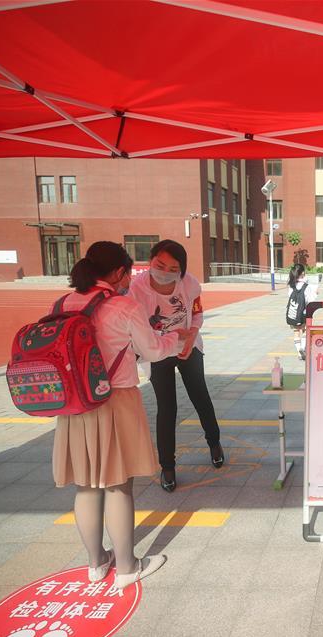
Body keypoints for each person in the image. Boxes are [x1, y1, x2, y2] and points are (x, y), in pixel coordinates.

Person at [54, 241, 187, 589]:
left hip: (74, 404)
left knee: (85, 486)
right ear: (117, 273)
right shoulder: (122, 305)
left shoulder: (64, 302)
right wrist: (176, 338)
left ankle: (96, 563)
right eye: (127, 273)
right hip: (116, 400)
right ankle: (128, 567)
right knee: (117, 485)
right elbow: (153, 351)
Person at [128, 240, 223, 493]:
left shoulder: (189, 283)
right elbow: (137, 331)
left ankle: (215, 443)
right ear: (150, 261)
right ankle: (167, 467)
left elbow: (197, 312)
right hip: (157, 351)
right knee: (166, 407)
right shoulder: (136, 290)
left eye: (173, 268)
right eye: (160, 265)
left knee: (200, 395)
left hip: (187, 346)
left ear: (181, 270)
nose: (165, 271)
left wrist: (191, 335)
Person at [287, 263, 318, 360]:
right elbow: (311, 300)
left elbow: (289, 297)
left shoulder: (291, 285)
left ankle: (299, 351)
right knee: (304, 331)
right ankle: (303, 349)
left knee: (296, 332)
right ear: (303, 273)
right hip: (304, 312)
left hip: (293, 312)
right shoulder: (306, 286)